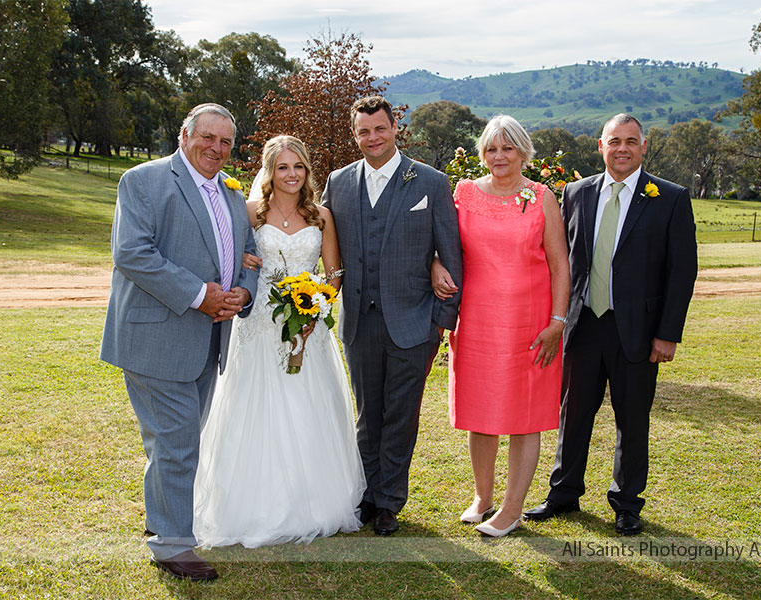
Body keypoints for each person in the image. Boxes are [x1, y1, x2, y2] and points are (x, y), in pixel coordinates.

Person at [100, 103, 258, 581]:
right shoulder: (144, 181)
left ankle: (162, 522)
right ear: (184, 134)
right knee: (175, 440)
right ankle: (172, 545)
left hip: (210, 341)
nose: (216, 148)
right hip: (157, 336)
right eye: (207, 137)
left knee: (178, 440)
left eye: (226, 142)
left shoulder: (232, 192)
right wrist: (200, 295)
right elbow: (132, 253)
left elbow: (247, 255)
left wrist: (243, 294)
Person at [524, 113, 697, 536]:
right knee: (573, 413)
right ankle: (564, 493)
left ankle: (626, 503)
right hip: (583, 326)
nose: (622, 148)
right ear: (600, 146)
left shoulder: (670, 198)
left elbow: (682, 272)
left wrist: (667, 334)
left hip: (638, 330)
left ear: (643, 146)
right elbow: (559, 261)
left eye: (631, 141)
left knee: (632, 419)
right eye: (614, 140)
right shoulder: (576, 193)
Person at [193, 135, 366, 547]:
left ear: (308, 171)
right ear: (270, 172)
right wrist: (243, 266)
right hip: (258, 326)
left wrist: (317, 306)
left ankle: (315, 501)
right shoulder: (250, 211)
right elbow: (227, 258)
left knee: (309, 405)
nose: (291, 175)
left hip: (309, 328)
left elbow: (334, 272)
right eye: (283, 167)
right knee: (253, 406)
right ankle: (252, 505)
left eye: (298, 167)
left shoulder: (320, 215)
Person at [321, 96, 463, 536]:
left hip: (415, 322)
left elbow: (451, 255)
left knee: (401, 415)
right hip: (359, 322)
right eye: (363, 131)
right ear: (354, 134)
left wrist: (441, 321)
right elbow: (323, 244)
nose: (372, 138)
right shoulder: (338, 182)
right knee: (368, 413)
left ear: (394, 128)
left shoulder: (430, 182)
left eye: (379, 129)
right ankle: (364, 494)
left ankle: (389, 502)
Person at [430, 115, 569, 537]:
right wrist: (436, 264)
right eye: (491, 148)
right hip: (475, 322)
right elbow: (443, 244)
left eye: (508, 148)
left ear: (523, 152)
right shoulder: (464, 192)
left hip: (531, 325)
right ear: (482, 154)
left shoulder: (540, 196)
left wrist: (557, 322)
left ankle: (511, 509)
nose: (499, 156)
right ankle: (482, 496)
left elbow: (561, 265)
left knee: (525, 416)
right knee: (481, 412)